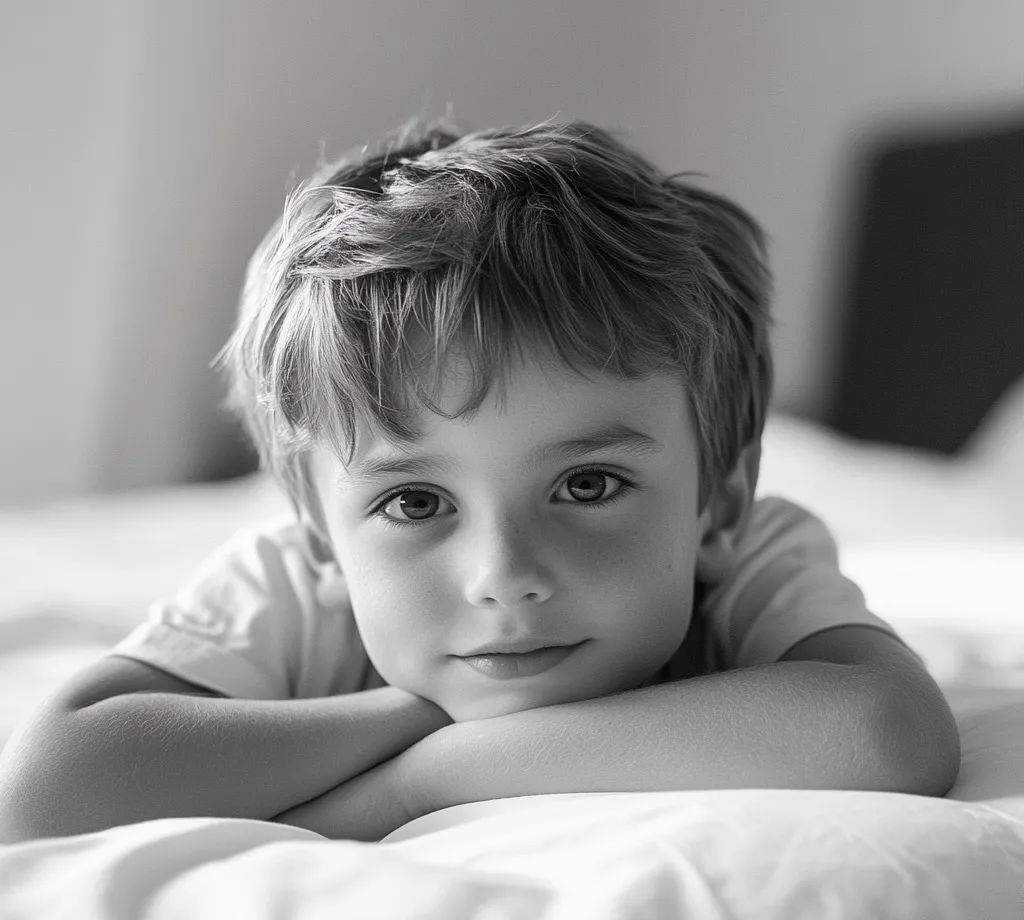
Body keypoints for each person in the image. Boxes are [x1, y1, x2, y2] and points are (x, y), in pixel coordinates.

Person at [0, 117, 960, 844]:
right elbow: (51, 785)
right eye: (415, 503)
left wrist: (424, 779)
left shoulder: (752, 553)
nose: (504, 574)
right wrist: (416, 709)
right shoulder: (290, 579)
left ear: (719, 501)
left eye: (587, 485)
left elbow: (884, 730)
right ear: (320, 534)